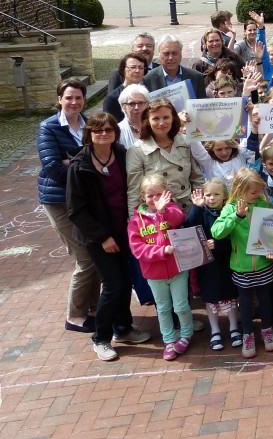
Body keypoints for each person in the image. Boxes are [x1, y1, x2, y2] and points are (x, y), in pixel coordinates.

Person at [66, 113, 152, 360]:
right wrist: (103, 237)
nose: (104, 134)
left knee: (125, 281)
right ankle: (101, 338)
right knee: (113, 285)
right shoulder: (79, 166)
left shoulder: (123, 155)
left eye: (108, 130)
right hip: (97, 236)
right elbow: (76, 210)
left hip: (124, 230)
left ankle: (123, 328)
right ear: (89, 135)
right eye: (98, 130)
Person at [38, 78, 99, 334]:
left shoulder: (89, 123)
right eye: (69, 97)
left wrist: (72, 162)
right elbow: (52, 167)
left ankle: (94, 309)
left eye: (78, 98)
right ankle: (74, 316)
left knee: (95, 254)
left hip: (84, 200)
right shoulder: (49, 127)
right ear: (59, 99)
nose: (74, 102)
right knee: (85, 257)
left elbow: (95, 155)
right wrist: (85, 167)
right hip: (59, 201)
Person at [211, 169, 273, 359]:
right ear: (239, 190)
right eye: (252, 192)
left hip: (264, 263)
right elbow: (217, 232)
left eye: (258, 191)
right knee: (246, 302)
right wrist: (237, 216)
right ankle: (248, 334)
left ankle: (267, 330)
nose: (256, 195)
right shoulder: (229, 208)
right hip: (241, 267)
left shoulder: (263, 204)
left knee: (266, 299)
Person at [128, 174, 194, 361]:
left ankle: (187, 335)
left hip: (178, 269)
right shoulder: (135, 222)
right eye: (151, 196)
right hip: (154, 274)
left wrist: (163, 210)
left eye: (159, 195)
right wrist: (160, 251)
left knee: (181, 306)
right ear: (142, 197)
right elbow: (137, 249)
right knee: (163, 308)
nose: (155, 200)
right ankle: (169, 340)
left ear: (167, 194)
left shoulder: (171, 209)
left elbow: (177, 219)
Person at [184, 179, 241, 349]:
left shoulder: (228, 212)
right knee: (210, 299)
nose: (211, 198)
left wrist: (219, 243)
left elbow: (234, 236)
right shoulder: (201, 212)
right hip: (207, 266)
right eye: (208, 194)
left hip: (226, 263)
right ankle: (215, 330)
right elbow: (190, 227)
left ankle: (233, 327)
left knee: (230, 295)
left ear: (224, 196)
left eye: (216, 194)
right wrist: (196, 207)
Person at [126, 97, 204, 216]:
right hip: (159, 217)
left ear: (173, 118)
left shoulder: (185, 142)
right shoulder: (137, 151)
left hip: (189, 211)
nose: (161, 123)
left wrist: (199, 209)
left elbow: (197, 178)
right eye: (156, 118)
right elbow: (135, 191)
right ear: (147, 121)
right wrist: (135, 223)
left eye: (166, 117)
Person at [143, 35, 206, 99]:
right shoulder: (147, 79)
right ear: (159, 55)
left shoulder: (196, 77)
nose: (170, 58)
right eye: (166, 54)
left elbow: (201, 106)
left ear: (181, 55)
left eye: (174, 53)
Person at [103, 52, 150, 122]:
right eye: (133, 67)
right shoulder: (112, 98)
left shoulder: (148, 92)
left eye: (141, 67)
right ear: (123, 69)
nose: (137, 71)